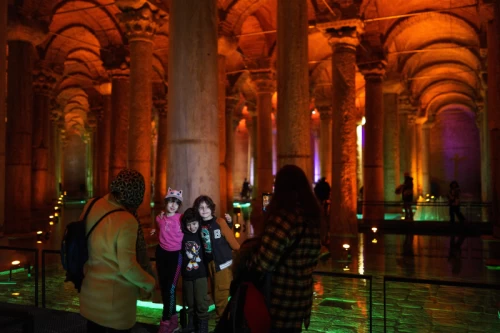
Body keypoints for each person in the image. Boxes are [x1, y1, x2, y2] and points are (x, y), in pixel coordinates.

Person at [80, 169, 156, 333]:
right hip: (115, 307)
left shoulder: (92, 204)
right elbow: (127, 267)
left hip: (90, 298)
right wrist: (149, 283)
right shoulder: (127, 220)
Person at [250, 164, 321, 332]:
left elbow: (264, 262)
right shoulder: (312, 219)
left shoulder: (283, 218)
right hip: (301, 298)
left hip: (279, 299)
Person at [193, 195, 240, 321]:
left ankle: (222, 323)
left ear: (212, 208)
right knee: (216, 293)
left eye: (207, 207)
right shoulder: (199, 225)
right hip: (211, 264)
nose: (204, 210)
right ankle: (225, 320)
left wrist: (241, 252)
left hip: (223, 263)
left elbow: (230, 239)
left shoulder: (219, 222)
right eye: (201, 207)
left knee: (221, 294)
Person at [150, 188, 184, 333]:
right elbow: (161, 231)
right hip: (161, 254)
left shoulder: (181, 219)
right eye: (171, 201)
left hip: (176, 256)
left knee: (170, 289)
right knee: (164, 288)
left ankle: (165, 319)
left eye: (176, 203)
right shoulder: (159, 218)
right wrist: (154, 232)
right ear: (166, 202)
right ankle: (174, 319)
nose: (173, 205)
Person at [180, 208, 209, 333]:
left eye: (194, 223)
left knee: (201, 303)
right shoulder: (182, 236)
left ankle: (202, 327)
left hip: (200, 274)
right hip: (187, 275)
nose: (192, 227)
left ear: (199, 222)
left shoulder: (201, 233)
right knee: (190, 303)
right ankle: (191, 324)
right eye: (189, 224)